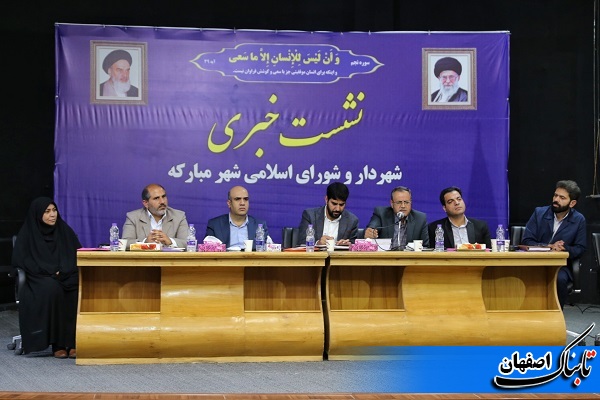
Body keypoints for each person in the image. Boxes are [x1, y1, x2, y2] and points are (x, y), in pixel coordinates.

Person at [12, 197, 81, 358]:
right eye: (47, 211)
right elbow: (22, 261)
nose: (52, 215)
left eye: (54, 210)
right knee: (52, 289)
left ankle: (73, 342)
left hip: (64, 274)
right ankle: (58, 344)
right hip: (39, 277)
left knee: (76, 286)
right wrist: (50, 271)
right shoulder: (28, 233)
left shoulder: (64, 230)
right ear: (38, 214)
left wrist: (63, 271)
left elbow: (76, 254)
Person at [522, 180, 586, 309]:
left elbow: (580, 249)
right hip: (534, 263)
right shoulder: (539, 213)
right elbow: (527, 240)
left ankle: (556, 314)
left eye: (562, 198)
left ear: (572, 203)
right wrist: (549, 246)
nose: (556, 200)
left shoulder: (579, 220)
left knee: (559, 279)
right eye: (555, 195)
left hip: (559, 266)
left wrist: (563, 248)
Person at [122, 184, 189, 248]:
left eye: (163, 196)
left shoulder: (179, 216)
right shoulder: (133, 217)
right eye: (156, 198)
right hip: (144, 256)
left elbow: (188, 243)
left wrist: (171, 241)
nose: (162, 201)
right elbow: (125, 243)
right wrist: (145, 242)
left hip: (169, 256)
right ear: (146, 203)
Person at [364, 186, 429, 249]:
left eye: (406, 202)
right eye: (399, 202)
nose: (403, 206)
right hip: (386, 256)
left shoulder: (420, 219)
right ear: (392, 204)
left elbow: (425, 247)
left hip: (410, 256)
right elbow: (372, 227)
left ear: (411, 203)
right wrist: (370, 232)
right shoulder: (381, 214)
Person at [205, 185, 269, 250]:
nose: (242, 203)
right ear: (229, 203)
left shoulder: (259, 225)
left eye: (246, 199)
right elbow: (208, 251)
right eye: (237, 199)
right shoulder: (215, 225)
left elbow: (267, 250)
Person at [427, 186, 491, 249]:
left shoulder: (480, 226)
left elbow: (489, 252)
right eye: (450, 201)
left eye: (459, 199)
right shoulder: (434, 228)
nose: (457, 203)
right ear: (444, 208)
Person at [297, 182, 359, 246]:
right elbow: (302, 243)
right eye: (334, 204)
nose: (337, 209)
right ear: (326, 199)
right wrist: (318, 243)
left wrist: (348, 246)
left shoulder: (352, 221)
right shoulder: (310, 216)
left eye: (341, 205)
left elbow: (354, 245)